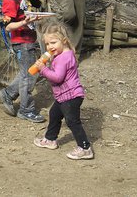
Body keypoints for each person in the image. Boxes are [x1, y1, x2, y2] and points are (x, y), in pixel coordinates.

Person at [33, 21, 93, 160]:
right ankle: (50, 139)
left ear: (64, 40)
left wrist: (43, 69)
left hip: (71, 96)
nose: (50, 47)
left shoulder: (63, 57)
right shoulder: (64, 54)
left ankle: (85, 148)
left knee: (72, 121)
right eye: (47, 44)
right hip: (63, 96)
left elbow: (58, 78)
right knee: (54, 114)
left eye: (53, 42)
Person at [0, 0, 44, 123]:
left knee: (27, 73)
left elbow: (37, 4)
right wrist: (24, 22)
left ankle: (8, 93)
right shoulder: (10, 0)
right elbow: (8, 26)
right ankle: (26, 109)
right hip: (21, 41)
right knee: (29, 76)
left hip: (29, 38)